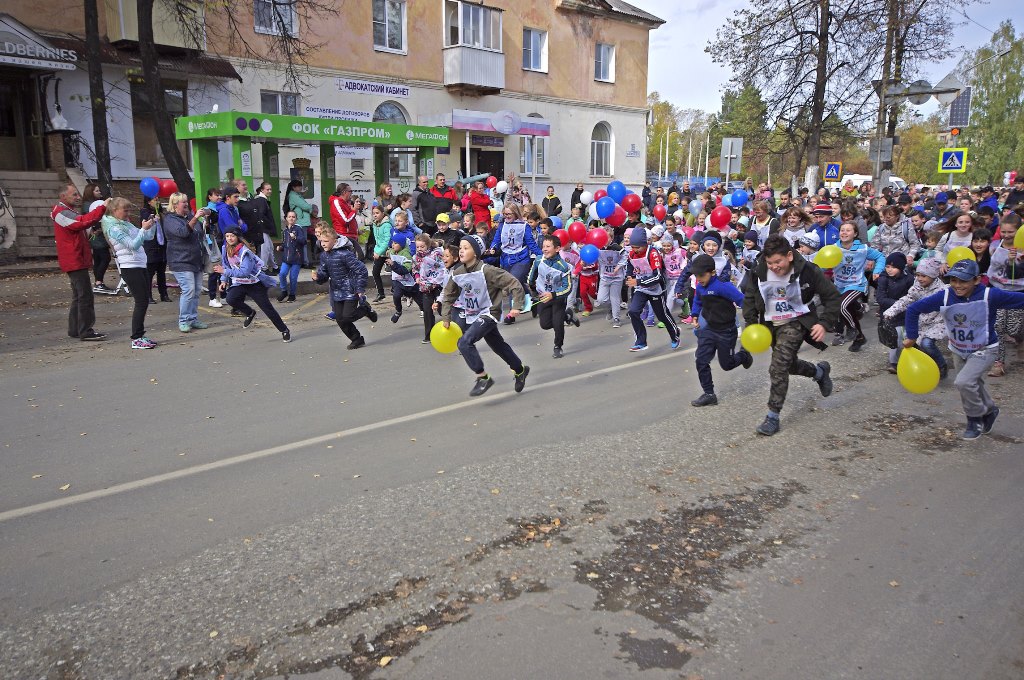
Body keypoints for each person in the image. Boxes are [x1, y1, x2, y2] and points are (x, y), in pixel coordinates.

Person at [904, 258, 1024, 439]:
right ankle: (989, 410)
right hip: (958, 348)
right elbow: (913, 309)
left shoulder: (990, 295)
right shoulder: (945, 296)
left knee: (963, 382)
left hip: (985, 348)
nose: (957, 285)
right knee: (972, 384)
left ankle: (974, 419)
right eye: (953, 280)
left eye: (963, 281)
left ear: (977, 280)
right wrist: (912, 336)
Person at [741, 235, 840, 436]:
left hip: (796, 322)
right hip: (770, 325)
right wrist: (752, 325)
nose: (774, 267)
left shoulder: (808, 271)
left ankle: (772, 416)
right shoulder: (759, 271)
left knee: (777, 367)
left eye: (778, 262)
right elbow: (750, 297)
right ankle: (819, 373)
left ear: (789, 256)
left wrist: (824, 323)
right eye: (770, 263)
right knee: (789, 365)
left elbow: (832, 297)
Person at [440, 235, 530, 396]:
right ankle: (520, 369)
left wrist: (517, 306)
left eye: (466, 248)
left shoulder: (487, 270)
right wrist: (446, 317)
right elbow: (448, 295)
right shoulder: (457, 273)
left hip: (489, 313)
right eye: (460, 247)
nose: (461, 251)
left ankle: (483, 377)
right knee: (498, 346)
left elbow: (513, 283)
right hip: (473, 315)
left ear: (475, 252)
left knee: (464, 342)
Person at [688, 253, 753, 406]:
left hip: (726, 331)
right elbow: (697, 301)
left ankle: (743, 355)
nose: (699, 279)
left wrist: (752, 317)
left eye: (701, 276)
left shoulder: (723, 287)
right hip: (709, 329)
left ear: (712, 272)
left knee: (727, 365)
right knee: (701, 361)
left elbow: (742, 300)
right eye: (696, 276)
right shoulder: (700, 286)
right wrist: (695, 316)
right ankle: (709, 394)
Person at [52, 183, 107, 341]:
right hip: (74, 259)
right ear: (63, 197)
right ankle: (85, 331)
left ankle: (75, 329)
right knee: (85, 296)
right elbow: (81, 222)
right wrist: (102, 207)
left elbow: (80, 226)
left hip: (76, 258)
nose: (78, 197)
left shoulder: (65, 211)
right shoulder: (61, 212)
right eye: (74, 194)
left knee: (78, 296)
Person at [217, 227, 292, 342]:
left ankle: (284, 330)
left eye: (232, 236)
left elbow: (244, 272)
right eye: (227, 236)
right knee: (231, 299)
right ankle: (250, 312)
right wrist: (224, 280)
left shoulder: (245, 252)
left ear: (238, 237)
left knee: (267, 309)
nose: (229, 238)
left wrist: (224, 272)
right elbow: (226, 265)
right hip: (240, 283)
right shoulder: (225, 248)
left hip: (254, 284)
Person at [102, 197, 157, 348]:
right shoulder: (114, 228)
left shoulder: (125, 223)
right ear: (114, 211)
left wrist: (152, 225)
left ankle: (140, 335)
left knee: (144, 300)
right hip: (129, 267)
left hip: (140, 264)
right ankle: (136, 337)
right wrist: (143, 229)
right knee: (141, 301)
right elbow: (132, 245)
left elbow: (147, 237)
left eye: (128, 210)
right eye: (124, 210)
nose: (128, 213)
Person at [312, 222, 376, 349]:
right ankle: (357, 339)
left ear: (335, 241)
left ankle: (365, 309)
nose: (323, 243)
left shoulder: (345, 254)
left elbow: (361, 270)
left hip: (350, 289)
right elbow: (324, 274)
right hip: (336, 290)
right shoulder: (324, 256)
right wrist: (318, 277)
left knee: (348, 316)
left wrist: (359, 288)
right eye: (322, 241)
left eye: (326, 241)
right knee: (340, 319)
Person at [883, 257, 947, 380]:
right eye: (917, 275)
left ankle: (941, 364)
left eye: (924, 276)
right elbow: (907, 300)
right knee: (912, 344)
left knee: (927, 343)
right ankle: (922, 367)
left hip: (937, 322)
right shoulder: (916, 286)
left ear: (933, 275)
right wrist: (891, 311)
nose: (919, 278)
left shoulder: (942, 290)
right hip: (920, 321)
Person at [831, 222, 885, 351]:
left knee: (842, 306)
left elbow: (880, 256)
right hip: (840, 285)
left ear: (855, 234)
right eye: (842, 230)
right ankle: (860, 337)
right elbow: (821, 264)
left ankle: (852, 329)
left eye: (848, 230)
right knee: (847, 310)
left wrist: (877, 271)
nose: (844, 232)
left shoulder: (862, 248)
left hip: (857, 284)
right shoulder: (833, 248)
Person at [625, 227, 681, 351]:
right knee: (633, 311)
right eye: (633, 247)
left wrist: (638, 281)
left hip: (656, 288)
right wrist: (629, 276)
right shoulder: (632, 253)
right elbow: (629, 264)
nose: (635, 250)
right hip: (641, 288)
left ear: (645, 244)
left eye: (637, 247)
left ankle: (675, 334)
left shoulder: (653, 253)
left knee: (662, 316)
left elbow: (658, 276)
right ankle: (641, 341)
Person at [164, 192, 210, 333]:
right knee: (188, 290)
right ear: (175, 204)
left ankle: (193, 318)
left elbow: (199, 233)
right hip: (181, 260)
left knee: (196, 291)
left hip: (196, 260)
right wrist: (195, 218)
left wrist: (205, 222)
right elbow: (183, 232)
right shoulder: (170, 219)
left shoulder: (189, 216)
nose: (186, 204)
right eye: (183, 202)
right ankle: (183, 320)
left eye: (186, 201)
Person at [491, 203, 542, 323]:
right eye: (505, 214)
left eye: (509, 214)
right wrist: (493, 248)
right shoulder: (502, 226)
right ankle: (532, 300)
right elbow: (496, 240)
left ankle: (511, 314)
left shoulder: (524, 226)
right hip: (506, 259)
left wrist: (542, 255)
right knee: (513, 284)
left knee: (512, 281)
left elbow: (531, 244)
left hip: (521, 258)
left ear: (515, 213)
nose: (506, 216)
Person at [986, 213, 1024, 377]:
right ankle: (998, 363)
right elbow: (991, 267)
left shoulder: (1022, 248)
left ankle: (1021, 338)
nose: (1007, 235)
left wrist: (1013, 261)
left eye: (1011, 232)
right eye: (1004, 232)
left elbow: (1016, 274)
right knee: (998, 326)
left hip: (1017, 293)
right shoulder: (995, 245)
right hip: (998, 290)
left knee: (1013, 329)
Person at [529, 233, 576, 358]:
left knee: (557, 323)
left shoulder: (563, 266)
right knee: (544, 324)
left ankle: (558, 346)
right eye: (543, 246)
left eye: (548, 246)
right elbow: (531, 278)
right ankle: (567, 315)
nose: (544, 249)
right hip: (543, 296)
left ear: (557, 249)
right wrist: (533, 291)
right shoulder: (539, 260)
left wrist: (553, 294)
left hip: (558, 298)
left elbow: (568, 288)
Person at [875, 252, 914, 372]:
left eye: (893, 267)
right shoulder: (883, 279)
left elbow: (912, 295)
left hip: (906, 314)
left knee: (908, 336)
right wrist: (899, 304)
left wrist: (905, 305)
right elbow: (880, 298)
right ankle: (894, 363)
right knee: (895, 338)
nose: (889, 270)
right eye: (887, 267)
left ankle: (911, 359)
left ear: (901, 267)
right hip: (889, 314)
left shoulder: (909, 278)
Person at [414, 232, 446, 344]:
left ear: (428, 245)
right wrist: (417, 277)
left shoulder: (436, 254)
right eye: (417, 247)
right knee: (427, 311)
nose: (420, 249)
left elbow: (442, 266)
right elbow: (415, 269)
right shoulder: (416, 257)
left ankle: (452, 328)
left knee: (443, 309)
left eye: (422, 246)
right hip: (425, 287)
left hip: (437, 285)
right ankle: (429, 335)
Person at [387, 231, 423, 325]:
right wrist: (388, 263)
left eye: (395, 243)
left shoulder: (406, 255)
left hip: (409, 281)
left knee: (418, 298)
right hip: (398, 281)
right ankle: (398, 311)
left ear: (402, 245)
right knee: (396, 295)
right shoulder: (392, 251)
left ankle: (424, 310)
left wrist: (393, 264)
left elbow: (405, 270)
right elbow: (389, 260)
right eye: (392, 242)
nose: (393, 245)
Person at [82, 183, 113, 293]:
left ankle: (98, 281)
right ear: (91, 192)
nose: (99, 192)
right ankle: (99, 282)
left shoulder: (93, 203)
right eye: (96, 191)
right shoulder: (89, 205)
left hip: (98, 235)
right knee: (105, 258)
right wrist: (97, 229)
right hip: (96, 236)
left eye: (99, 190)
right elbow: (91, 219)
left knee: (99, 258)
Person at [140, 197, 170, 304]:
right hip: (151, 246)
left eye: (158, 199)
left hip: (162, 245)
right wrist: (152, 218)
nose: (158, 202)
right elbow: (145, 223)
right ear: (149, 202)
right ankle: (148, 296)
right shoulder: (145, 212)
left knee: (161, 272)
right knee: (150, 272)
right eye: (155, 200)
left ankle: (164, 294)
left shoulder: (162, 213)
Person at [283, 179, 316, 265]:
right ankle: (305, 262)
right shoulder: (294, 196)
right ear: (294, 187)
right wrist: (310, 208)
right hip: (301, 222)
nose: (301, 188)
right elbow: (304, 206)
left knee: (300, 242)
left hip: (301, 221)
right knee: (302, 242)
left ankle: (303, 261)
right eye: (299, 186)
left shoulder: (296, 195)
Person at [276, 210, 305, 302]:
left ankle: (292, 294)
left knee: (293, 277)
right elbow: (285, 244)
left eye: (293, 217)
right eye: (289, 217)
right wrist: (280, 247)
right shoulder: (285, 231)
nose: (291, 218)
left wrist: (295, 237)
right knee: (282, 274)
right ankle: (284, 291)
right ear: (286, 218)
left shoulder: (298, 229)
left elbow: (303, 241)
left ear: (296, 219)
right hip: (286, 258)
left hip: (296, 258)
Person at [330, 182, 362, 260]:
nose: (351, 193)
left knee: (356, 259)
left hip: (351, 235)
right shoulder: (337, 202)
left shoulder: (345, 203)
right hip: (344, 236)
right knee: (354, 259)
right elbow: (345, 220)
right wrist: (354, 210)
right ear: (344, 192)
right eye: (350, 191)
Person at [253, 181, 278, 273]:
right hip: (263, 229)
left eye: (270, 189)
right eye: (267, 189)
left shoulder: (261, 200)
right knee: (266, 248)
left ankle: (274, 266)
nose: (270, 191)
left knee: (269, 247)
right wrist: (268, 226)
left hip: (263, 228)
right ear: (262, 190)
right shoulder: (262, 201)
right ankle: (263, 268)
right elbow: (262, 215)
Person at [369, 204, 393, 302]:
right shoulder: (375, 224)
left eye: (377, 213)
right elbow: (377, 240)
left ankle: (399, 291)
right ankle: (381, 293)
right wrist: (376, 250)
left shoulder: (387, 225)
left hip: (387, 252)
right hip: (379, 252)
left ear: (383, 213)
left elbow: (387, 240)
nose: (375, 215)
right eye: (374, 213)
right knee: (375, 272)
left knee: (396, 272)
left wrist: (378, 251)